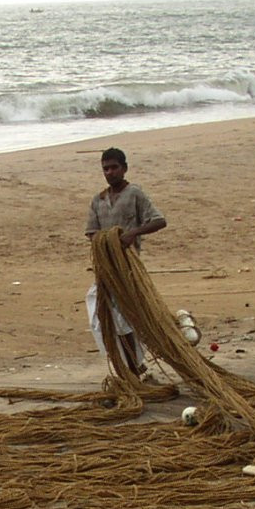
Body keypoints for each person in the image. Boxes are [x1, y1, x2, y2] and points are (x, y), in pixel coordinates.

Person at [83, 147, 166, 376]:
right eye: (105, 169)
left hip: (127, 269)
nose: (110, 172)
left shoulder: (134, 194)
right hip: (106, 269)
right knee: (101, 316)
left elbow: (159, 220)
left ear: (124, 168)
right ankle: (127, 365)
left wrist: (132, 234)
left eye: (114, 167)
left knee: (124, 319)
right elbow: (91, 232)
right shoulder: (98, 200)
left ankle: (134, 366)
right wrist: (104, 242)